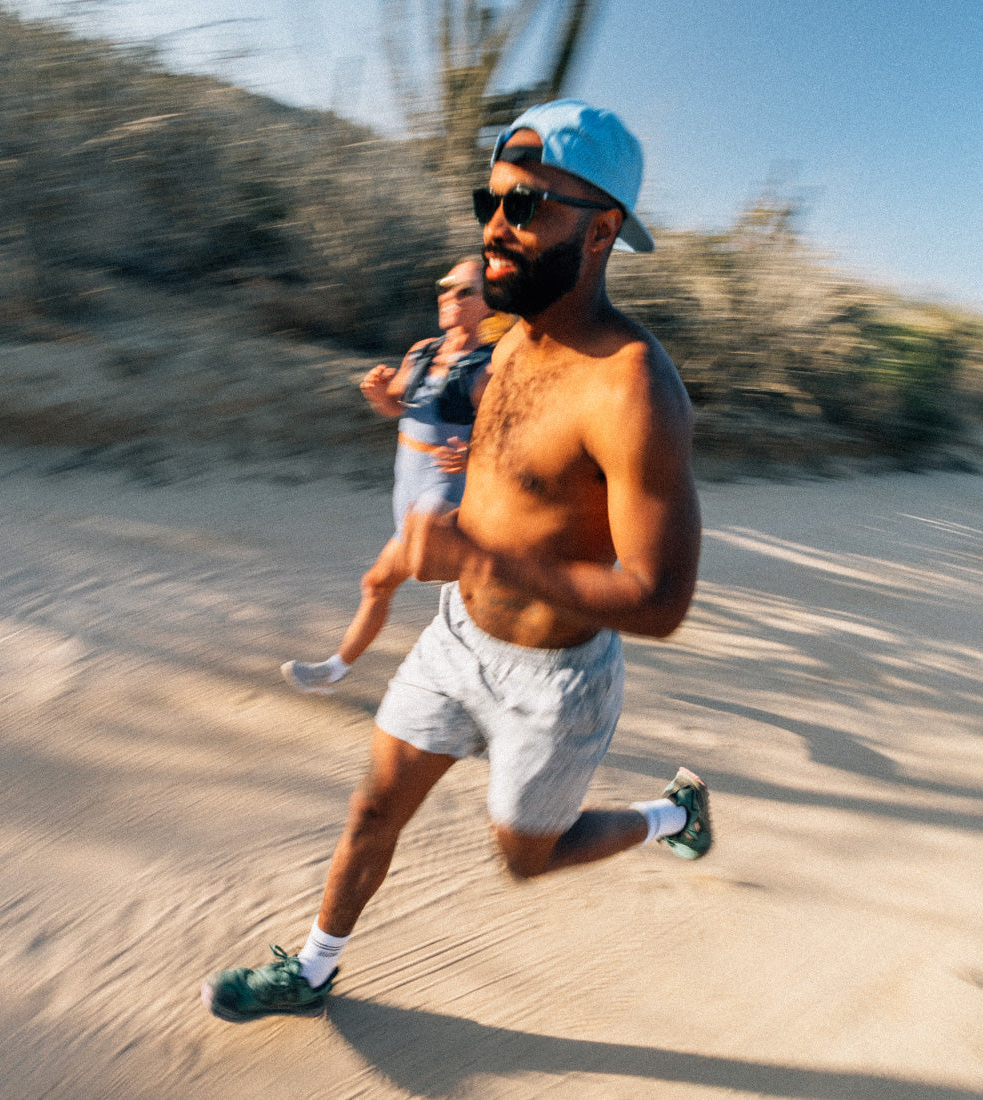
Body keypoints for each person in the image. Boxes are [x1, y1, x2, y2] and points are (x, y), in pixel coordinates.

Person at [204, 99, 709, 1021]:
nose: (496, 227)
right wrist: (402, 413)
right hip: (455, 641)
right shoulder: (513, 341)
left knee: (527, 859)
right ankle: (313, 971)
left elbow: (659, 598)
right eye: (493, 200)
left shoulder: (635, 388)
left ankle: (675, 815)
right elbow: (502, 467)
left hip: (557, 684)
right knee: (371, 812)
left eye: (527, 207)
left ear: (601, 230)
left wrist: (482, 551)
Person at [280, 257, 507, 694]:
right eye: (446, 286)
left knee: (464, 600)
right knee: (377, 584)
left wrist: (476, 454)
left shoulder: (491, 367)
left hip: (448, 497)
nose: (449, 296)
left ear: (491, 306)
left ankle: (470, 695)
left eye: (465, 291)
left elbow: (517, 439)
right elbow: (396, 408)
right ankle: (334, 670)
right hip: (408, 488)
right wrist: (380, 395)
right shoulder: (422, 351)